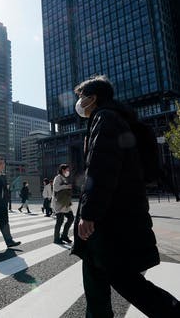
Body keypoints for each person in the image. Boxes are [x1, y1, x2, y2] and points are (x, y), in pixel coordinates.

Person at [71, 75, 180, 317]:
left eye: (80, 98)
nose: (78, 103)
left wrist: (88, 213)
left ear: (93, 98)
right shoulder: (116, 118)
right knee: (97, 280)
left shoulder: (105, 118)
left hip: (110, 221)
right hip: (116, 216)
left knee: (127, 283)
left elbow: (102, 168)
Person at [52, 164, 74, 244]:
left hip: (65, 203)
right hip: (59, 202)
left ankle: (64, 236)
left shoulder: (64, 178)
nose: (68, 171)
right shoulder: (57, 177)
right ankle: (56, 238)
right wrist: (66, 186)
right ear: (62, 170)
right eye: (67, 170)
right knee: (60, 221)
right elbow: (56, 188)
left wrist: (68, 187)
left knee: (71, 218)